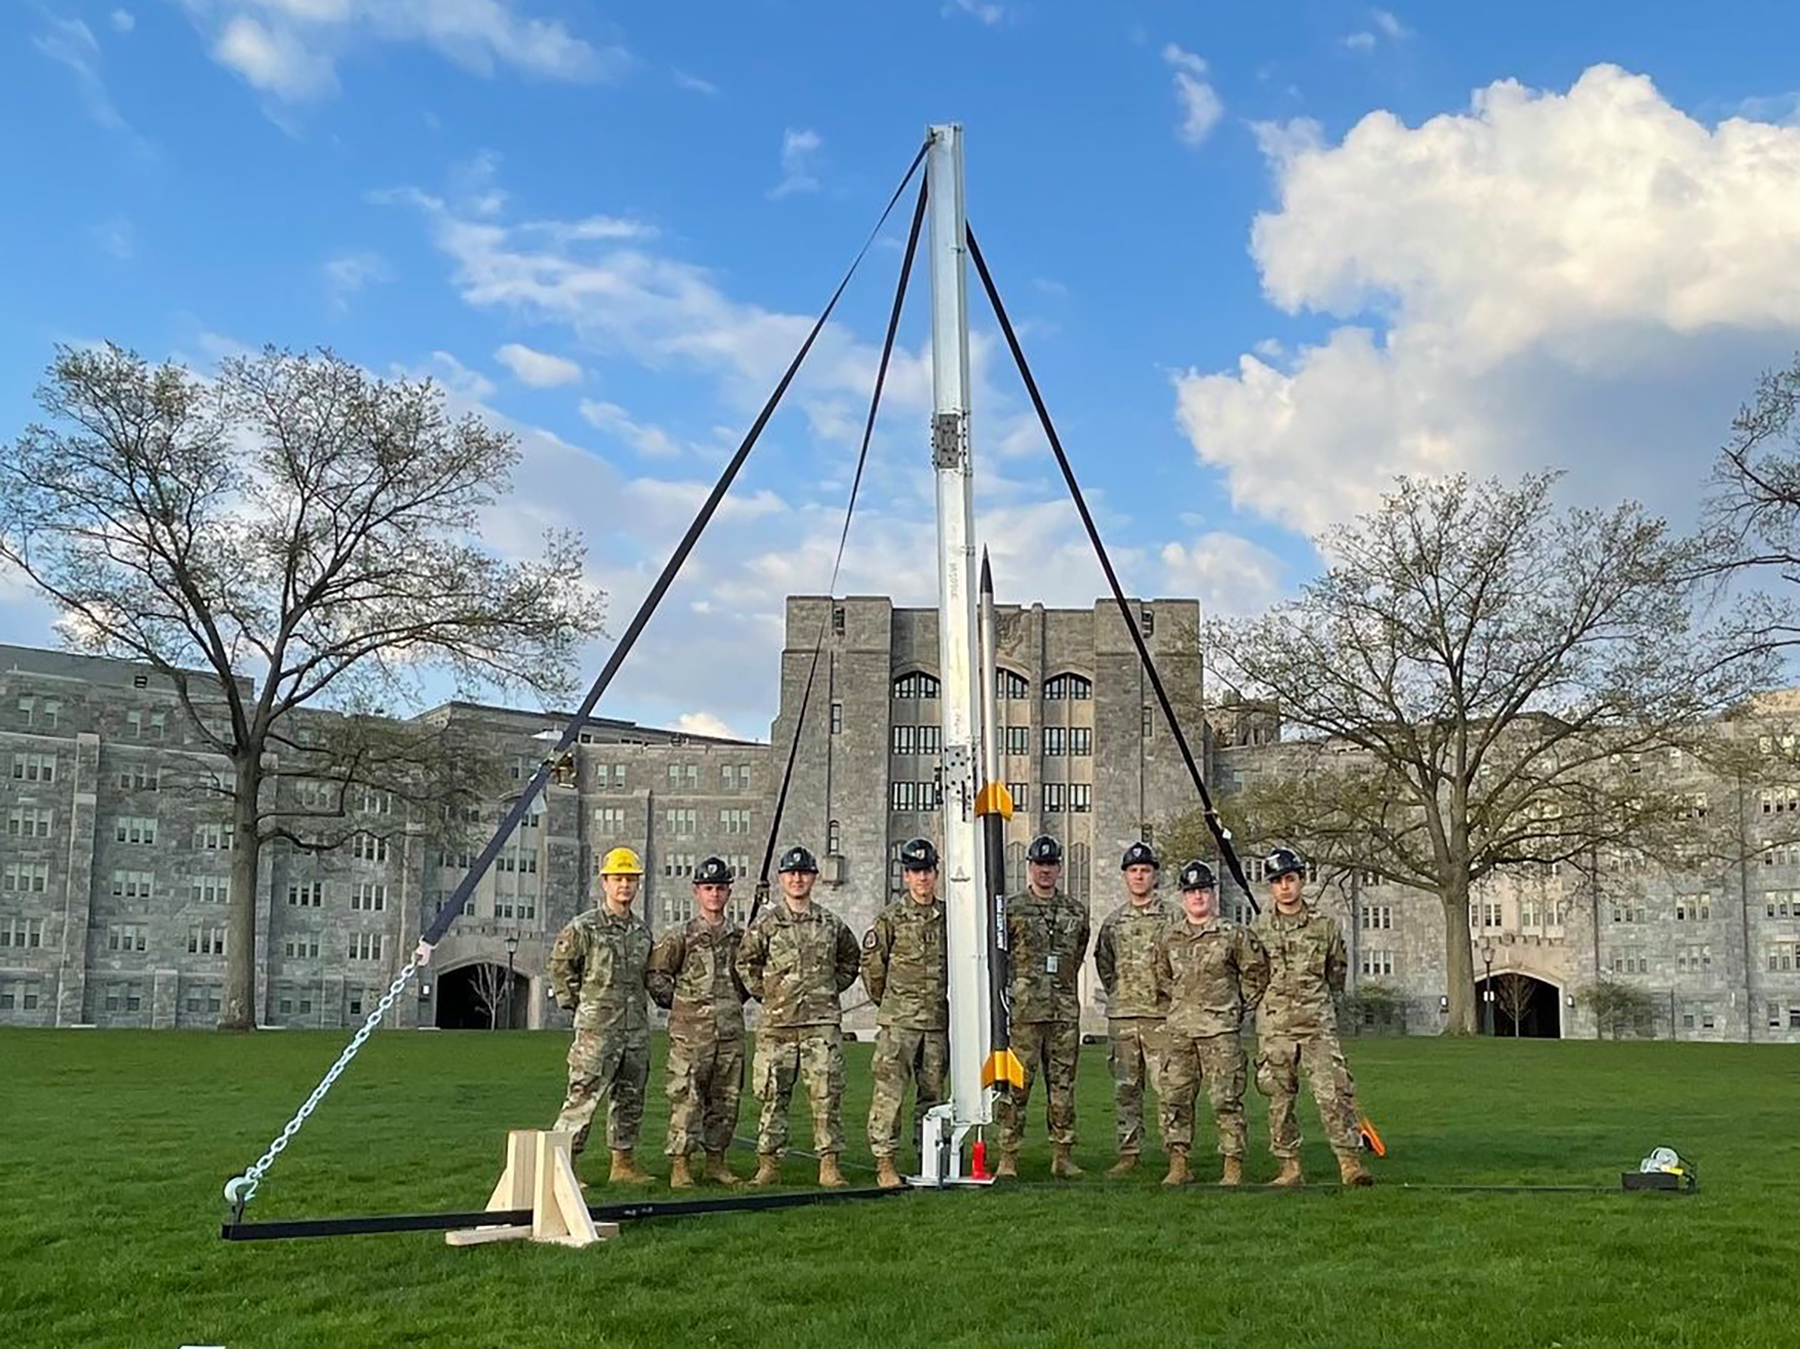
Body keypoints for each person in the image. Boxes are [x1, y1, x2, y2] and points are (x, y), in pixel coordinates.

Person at [734, 844, 862, 1187]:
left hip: (821, 1025)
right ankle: (769, 1164)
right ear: (781, 879)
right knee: (773, 1096)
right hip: (778, 1025)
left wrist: (830, 988)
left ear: (814, 879)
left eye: (803, 873)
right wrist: (768, 994)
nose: (797, 879)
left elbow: (852, 959)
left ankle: (829, 1164)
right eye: (791, 874)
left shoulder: (831, 923)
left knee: (826, 1096)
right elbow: (745, 962)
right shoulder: (767, 925)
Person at [1254, 846, 1373, 1187]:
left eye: (1290, 879)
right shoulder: (1258, 928)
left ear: (1302, 881)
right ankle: (1289, 1167)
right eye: (1277, 881)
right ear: (1271, 887)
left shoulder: (1324, 926)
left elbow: (1337, 972)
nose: (1284, 887)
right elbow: (1253, 975)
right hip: (1276, 1025)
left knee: (1334, 1091)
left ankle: (1349, 1163)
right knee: (1279, 1097)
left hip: (1316, 1023)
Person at [1154, 859, 1270, 1185]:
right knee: (1174, 1098)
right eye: (1191, 891)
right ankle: (1178, 1164)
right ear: (1182, 897)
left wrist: (1236, 1010)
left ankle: (1232, 1165)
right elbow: (1162, 977)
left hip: (1220, 1032)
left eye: (1203, 890)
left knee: (1226, 1099)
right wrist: (1178, 1009)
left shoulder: (1233, 934)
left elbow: (1255, 974)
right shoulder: (1169, 937)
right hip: (1179, 1031)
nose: (1198, 897)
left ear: (1213, 894)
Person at [547, 845, 654, 1184]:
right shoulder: (584, 927)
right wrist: (580, 1006)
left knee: (629, 1097)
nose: (625, 885)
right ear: (605, 882)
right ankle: (564, 1166)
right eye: (618, 878)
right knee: (582, 1097)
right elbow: (561, 968)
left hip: (634, 1028)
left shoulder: (641, 932)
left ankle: (622, 1164)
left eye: (631, 879)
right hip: (597, 1030)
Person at [647, 855, 748, 1188]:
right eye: (708, 888)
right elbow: (658, 975)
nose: (715, 895)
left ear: (729, 892)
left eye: (720, 888)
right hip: (691, 1036)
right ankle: (681, 1164)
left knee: (725, 1100)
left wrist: (731, 1002)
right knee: (686, 1098)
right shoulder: (682, 937)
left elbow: (749, 977)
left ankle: (716, 1162)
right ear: (697, 892)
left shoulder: (739, 938)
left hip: (730, 1033)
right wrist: (681, 1005)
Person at [995, 833, 1091, 1179]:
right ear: (1029, 867)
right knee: (1015, 1089)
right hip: (1024, 1014)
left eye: (1051, 864)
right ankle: (1008, 1155)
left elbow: (1077, 955)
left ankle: (1062, 1154)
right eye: (1039, 864)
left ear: (1060, 868)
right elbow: (1000, 957)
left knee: (1063, 1087)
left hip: (1063, 1013)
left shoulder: (1075, 912)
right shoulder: (1011, 909)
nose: (1045, 870)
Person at [862, 837, 949, 1190]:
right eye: (915, 871)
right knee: (890, 1095)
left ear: (935, 873)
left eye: (927, 870)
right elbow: (872, 968)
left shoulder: (948, 917)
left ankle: (928, 1159)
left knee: (932, 1098)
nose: (922, 878)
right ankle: (885, 1162)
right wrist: (891, 1004)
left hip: (936, 1024)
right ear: (905, 876)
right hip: (899, 1023)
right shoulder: (890, 918)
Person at [1092, 840, 1177, 1178]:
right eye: (1133, 871)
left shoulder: (1173, 917)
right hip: (1124, 1017)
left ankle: (1176, 1154)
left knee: (1169, 1089)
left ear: (1154, 875)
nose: (1139, 876)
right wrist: (1122, 995)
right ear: (1125, 877)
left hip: (1162, 1017)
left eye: (1145, 871)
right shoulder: (1114, 923)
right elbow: (1105, 964)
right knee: (1126, 1089)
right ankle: (1129, 1153)